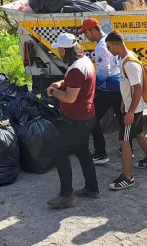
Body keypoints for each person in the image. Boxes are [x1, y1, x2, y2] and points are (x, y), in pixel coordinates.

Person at [45, 33, 100, 209]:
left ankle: (66, 195)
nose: (58, 53)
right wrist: (60, 84)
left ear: (63, 50)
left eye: (59, 51)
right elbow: (74, 84)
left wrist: (52, 92)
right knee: (82, 151)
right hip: (87, 116)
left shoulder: (76, 69)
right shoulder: (84, 62)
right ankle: (92, 188)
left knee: (60, 153)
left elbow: (69, 98)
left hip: (76, 119)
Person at [105, 31, 147, 190]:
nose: (108, 50)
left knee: (124, 140)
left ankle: (128, 177)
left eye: (109, 47)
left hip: (133, 109)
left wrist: (130, 112)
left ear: (116, 45)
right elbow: (128, 86)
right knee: (138, 133)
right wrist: (123, 100)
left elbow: (137, 88)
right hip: (132, 106)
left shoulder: (129, 64)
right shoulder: (126, 58)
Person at [78, 18, 126, 164]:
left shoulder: (100, 46)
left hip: (109, 88)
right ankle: (126, 148)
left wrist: (93, 86)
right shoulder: (109, 40)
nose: (85, 36)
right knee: (122, 119)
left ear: (93, 30)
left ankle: (100, 153)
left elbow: (104, 72)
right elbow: (109, 62)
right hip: (119, 85)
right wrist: (92, 59)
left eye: (86, 32)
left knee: (93, 118)